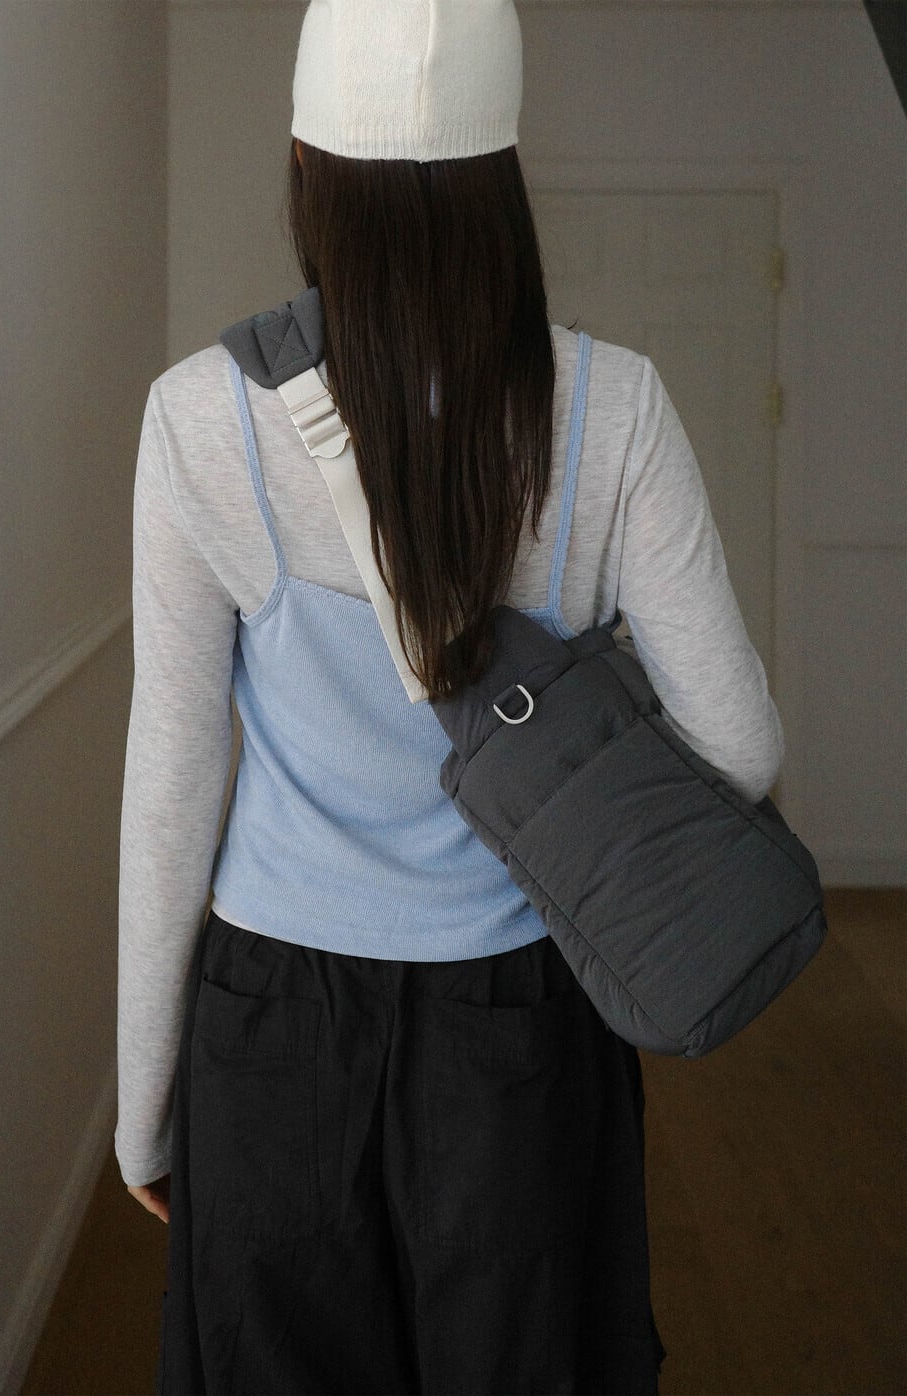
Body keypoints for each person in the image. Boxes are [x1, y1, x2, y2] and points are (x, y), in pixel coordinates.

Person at [115, 2, 784, 1392]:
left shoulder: (202, 416)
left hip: (271, 1028)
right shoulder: (615, 409)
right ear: (501, 179)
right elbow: (741, 747)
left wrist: (143, 1110)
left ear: (305, 167)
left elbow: (175, 780)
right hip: (520, 1022)